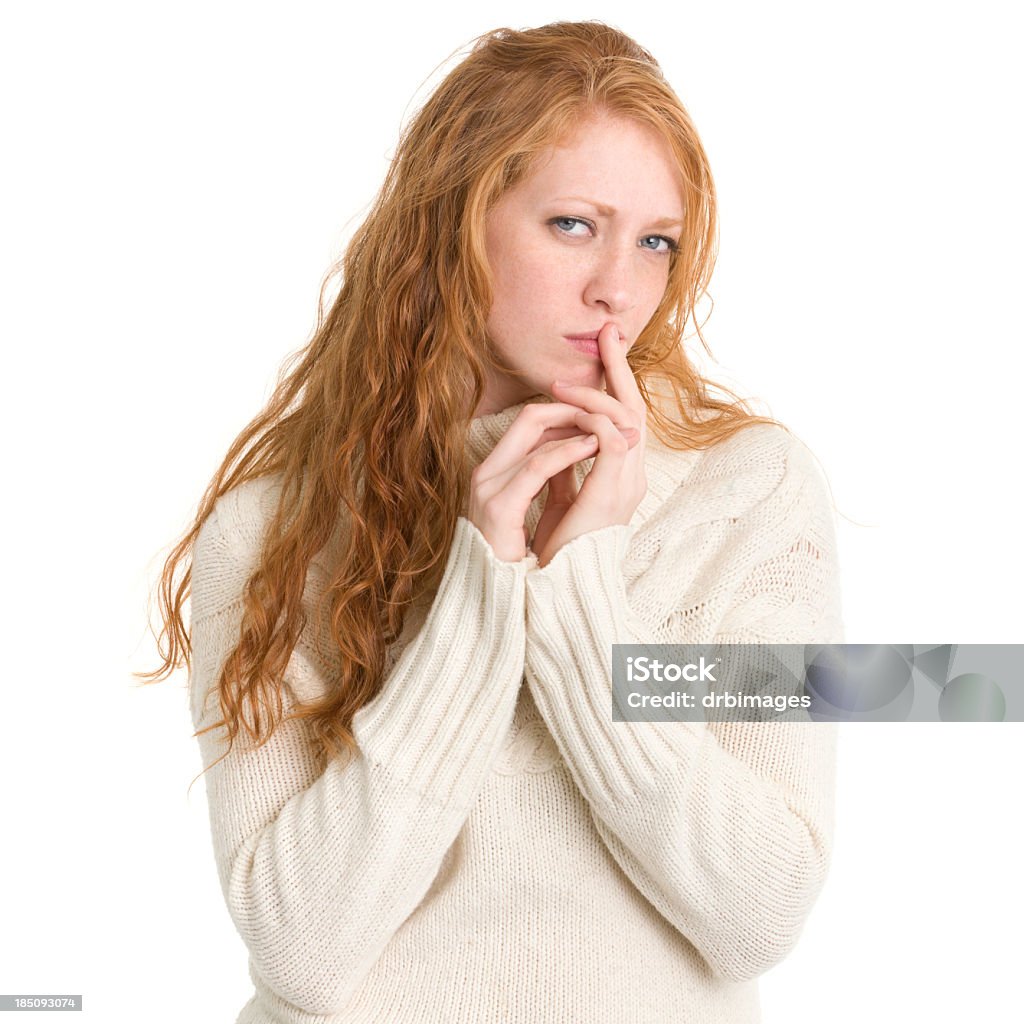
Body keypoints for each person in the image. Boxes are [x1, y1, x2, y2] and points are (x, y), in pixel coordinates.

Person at [144, 20, 843, 1023]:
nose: (618, 287)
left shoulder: (750, 494)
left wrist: (581, 582)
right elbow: (300, 945)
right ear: (456, 224)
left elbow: (758, 913)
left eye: (655, 241)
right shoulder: (272, 531)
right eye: (573, 224)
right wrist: (480, 586)